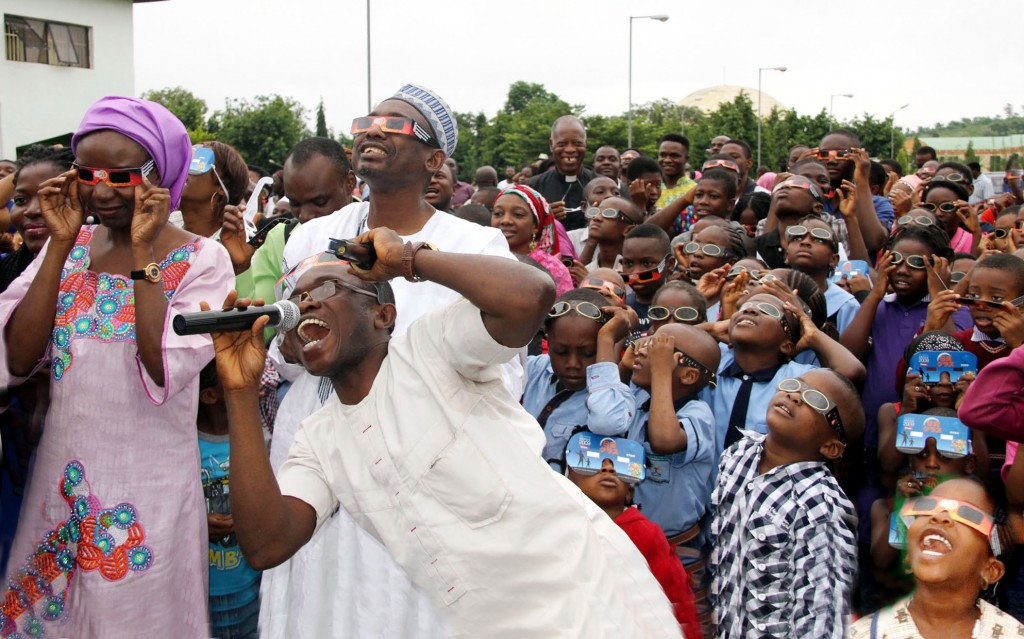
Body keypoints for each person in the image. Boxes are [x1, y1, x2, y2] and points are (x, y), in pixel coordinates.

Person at [210, 227, 681, 637]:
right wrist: (239, 390)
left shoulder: (431, 349)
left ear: (383, 316)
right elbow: (268, 543)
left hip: (589, 604)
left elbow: (530, 297)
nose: (304, 302)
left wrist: (408, 259)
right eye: (293, 300)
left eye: (326, 288)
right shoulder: (319, 439)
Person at [262, 84, 515, 638]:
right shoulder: (309, 236)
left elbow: (498, 370)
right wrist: (291, 343)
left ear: (434, 160)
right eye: (368, 123)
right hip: (313, 451)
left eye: (396, 126)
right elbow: (288, 357)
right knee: (312, 598)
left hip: (416, 469)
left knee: (396, 606)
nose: (374, 131)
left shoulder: (475, 247)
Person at [0, 96, 233, 636]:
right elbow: (17, 355)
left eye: (121, 175)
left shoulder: (204, 260)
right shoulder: (72, 243)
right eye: (88, 173)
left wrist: (143, 254)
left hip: (145, 495)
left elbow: (161, 367)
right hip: (60, 487)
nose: (100, 191)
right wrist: (59, 247)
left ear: (161, 174)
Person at [711, 369, 863, 639]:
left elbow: (821, 616)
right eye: (794, 385)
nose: (795, 396)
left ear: (831, 447)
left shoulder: (821, 506)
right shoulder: (737, 455)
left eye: (816, 401)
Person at [564, 434, 701, 637]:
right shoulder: (564, 528)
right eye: (591, 461)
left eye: (619, 464)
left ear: (629, 491)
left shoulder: (645, 534)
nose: (608, 467)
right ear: (569, 481)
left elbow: (676, 599)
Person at [850, 478, 1024, 637]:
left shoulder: (1013, 634)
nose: (939, 516)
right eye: (927, 507)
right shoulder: (864, 633)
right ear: (908, 557)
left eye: (966, 515)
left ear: (990, 570)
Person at [221, 137, 355, 338]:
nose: (306, 215)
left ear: (349, 183)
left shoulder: (375, 230)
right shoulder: (279, 239)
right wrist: (241, 268)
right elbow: (264, 328)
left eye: (319, 202)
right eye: (296, 204)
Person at [522, 289, 636, 469]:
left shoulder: (616, 396)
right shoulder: (530, 370)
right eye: (561, 352)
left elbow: (606, 422)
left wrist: (607, 338)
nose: (573, 363)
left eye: (588, 353)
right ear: (548, 341)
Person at [197, 361, 262, 638]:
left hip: (251, 586)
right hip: (205, 590)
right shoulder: (186, 444)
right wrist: (198, 523)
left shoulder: (256, 435)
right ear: (210, 395)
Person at [0, 145, 74, 292]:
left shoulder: (112, 268)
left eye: (52, 197)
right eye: (20, 200)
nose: (32, 211)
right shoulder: (6, 273)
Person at [490, 184, 573, 296]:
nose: (505, 221)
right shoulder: (483, 257)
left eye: (518, 214)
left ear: (535, 225)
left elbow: (561, 311)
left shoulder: (551, 268)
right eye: (498, 214)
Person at [527, 116, 595, 231]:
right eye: (562, 143)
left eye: (578, 143)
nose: (570, 149)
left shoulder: (601, 185)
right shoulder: (532, 187)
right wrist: (543, 220)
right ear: (551, 145)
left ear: (585, 144)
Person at [175, 141, 249, 239]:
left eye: (196, 162)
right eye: (183, 160)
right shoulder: (161, 223)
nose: (182, 170)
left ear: (222, 186)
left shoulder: (234, 243)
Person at [621, 224, 676, 331]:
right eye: (628, 263)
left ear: (669, 264)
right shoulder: (621, 308)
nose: (636, 272)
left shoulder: (680, 308)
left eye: (647, 263)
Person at [657, 134, 696, 210]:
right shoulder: (649, 189)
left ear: (686, 159)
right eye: (663, 155)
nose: (667, 160)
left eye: (674, 156)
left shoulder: (695, 190)